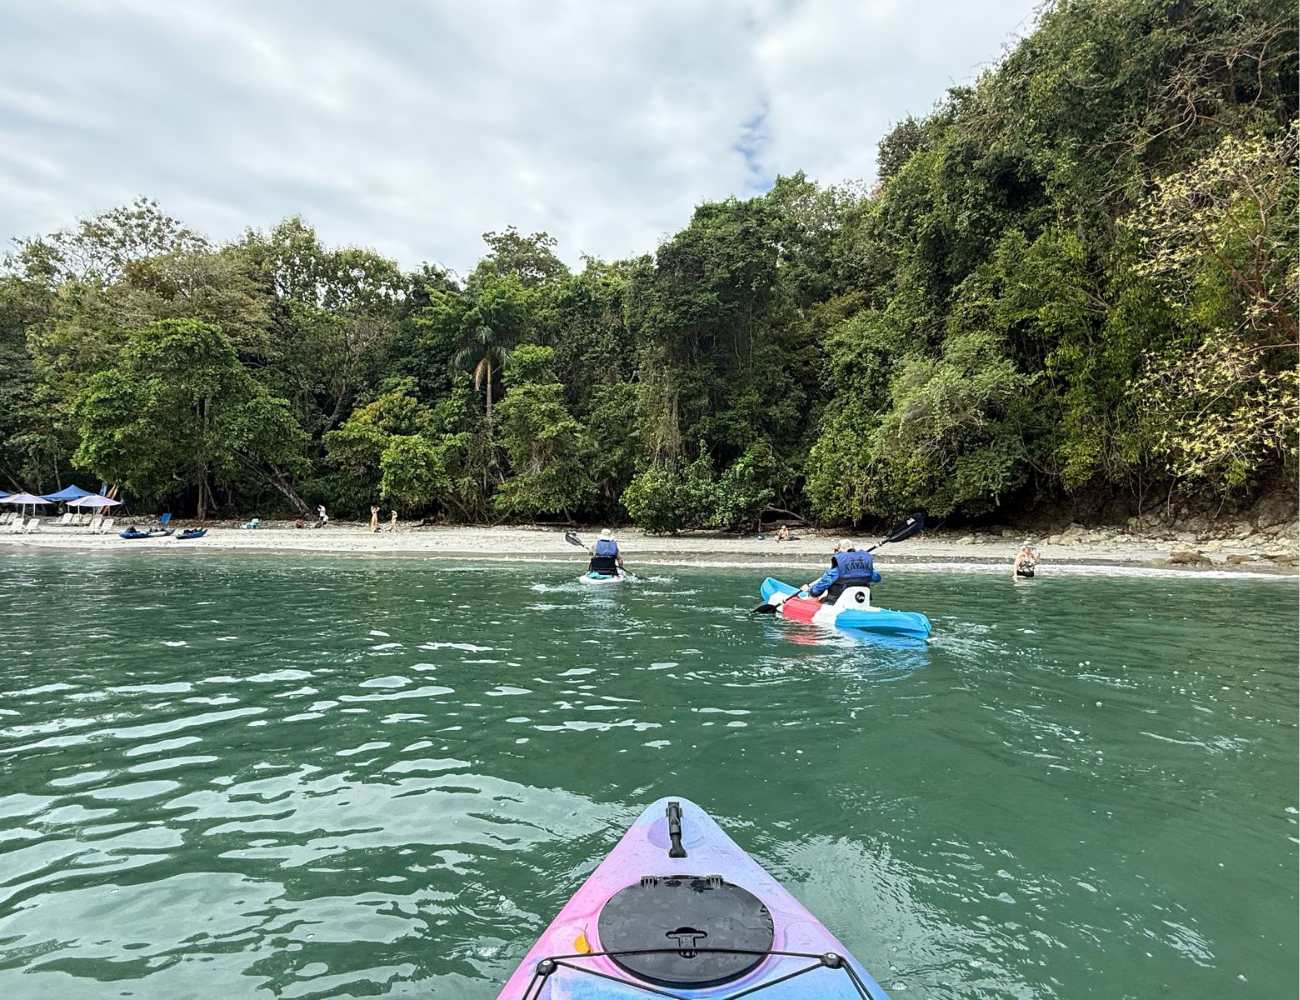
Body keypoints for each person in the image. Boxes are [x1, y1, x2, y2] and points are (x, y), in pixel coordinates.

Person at [802, 539, 881, 603]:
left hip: (838, 603)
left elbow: (817, 591)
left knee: (823, 593)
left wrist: (810, 590)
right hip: (861, 600)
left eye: (836, 550)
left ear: (840, 550)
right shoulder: (867, 567)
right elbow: (877, 578)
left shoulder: (837, 569)